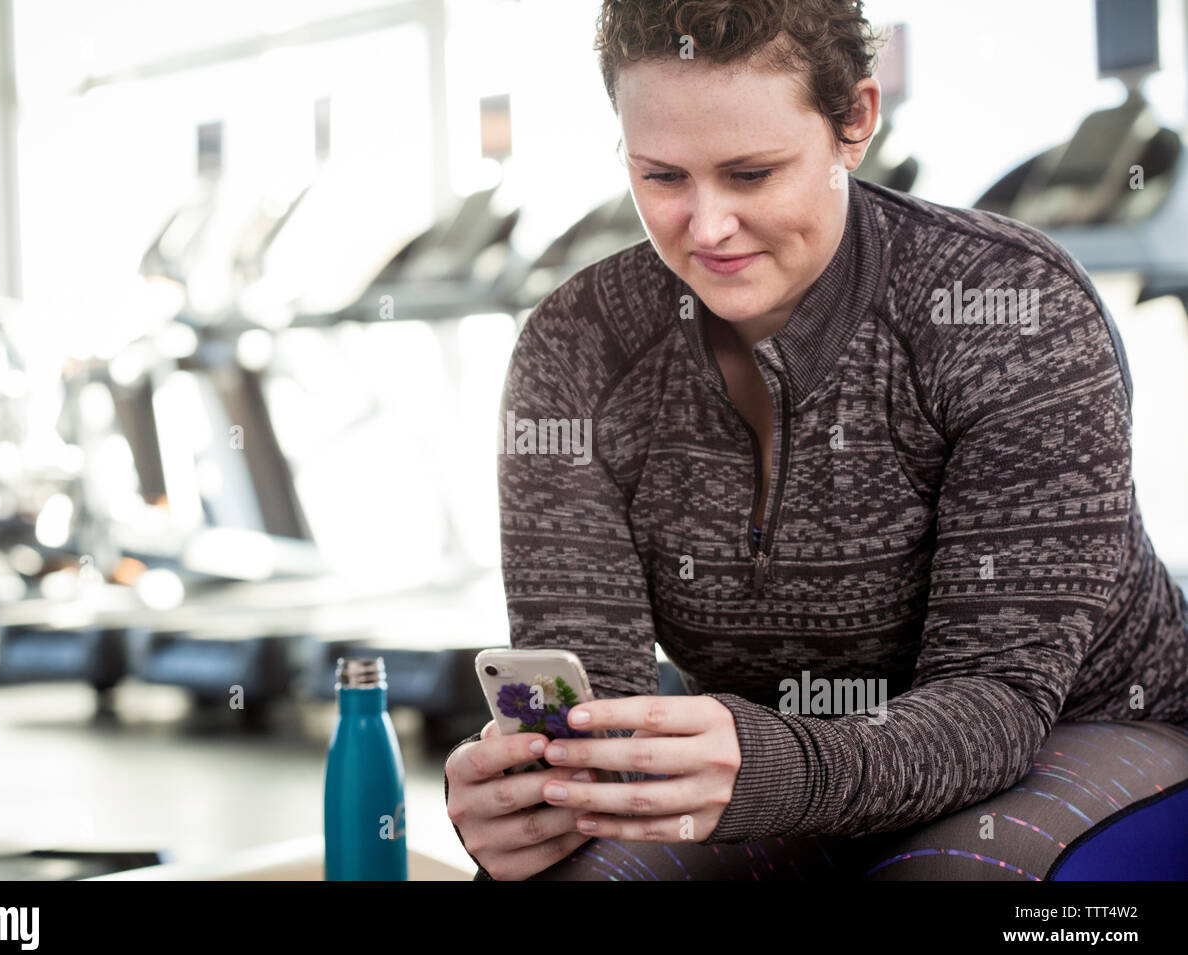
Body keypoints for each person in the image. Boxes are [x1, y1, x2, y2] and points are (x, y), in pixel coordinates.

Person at [443, 0, 1188, 881]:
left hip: (1078, 728)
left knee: (953, 878)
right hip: (781, 757)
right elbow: (594, 705)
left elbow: (998, 706)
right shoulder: (574, 346)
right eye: (662, 177)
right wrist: (532, 796)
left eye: (752, 174)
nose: (707, 227)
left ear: (856, 120)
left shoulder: (1015, 309)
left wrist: (769, 767)